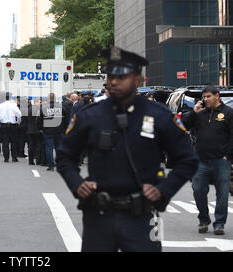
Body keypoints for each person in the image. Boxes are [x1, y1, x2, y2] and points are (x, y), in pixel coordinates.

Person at [56, 46, 198, 252]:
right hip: (99, 216)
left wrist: (162, 191)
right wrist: (77, 184)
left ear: (137, 80)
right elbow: (65, 157)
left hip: (143, 217)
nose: (113, 81)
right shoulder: (89, 115)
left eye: (121, 76)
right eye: (110, 75)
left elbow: (188, 160)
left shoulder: (159, 115)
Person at [181, 85, 233, 235]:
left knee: (222, 194)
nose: (205, 99)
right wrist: (193, 112)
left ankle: (219, 223)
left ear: (217, 96)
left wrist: (228, 155)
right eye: (204, 97)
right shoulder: (200, 114)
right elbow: (183, 126)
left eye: (208, 96)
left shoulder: (228, 113)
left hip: (221, 160)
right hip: (201, 160)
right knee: (198, 190)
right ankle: (204, 219)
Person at [38, 93, 70, 172]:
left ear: (48, 99)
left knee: (49, 148)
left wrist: (41, 129)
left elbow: (39, 120)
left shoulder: (43, 108)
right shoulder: (62, 107)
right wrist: (65, 129)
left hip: (48, 131)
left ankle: (51, 166)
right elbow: (67, 119)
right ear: (55, 99)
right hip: (59, 131)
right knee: (59, 148)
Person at [0, 92, 22, 163]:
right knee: (13, 142)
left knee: (5, 142)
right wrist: (18, 122)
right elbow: (19, 114)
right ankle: (14, 158)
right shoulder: (14, 105)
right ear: (10, 97)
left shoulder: (0, 105)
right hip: (13, 125)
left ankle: (6, 158)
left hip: (4, 125)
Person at [27, 98, 42, 165]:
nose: (41, 103)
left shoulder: (29, 109)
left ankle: (30, 161)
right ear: (37, 102)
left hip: (30, 130)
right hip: (37, 130)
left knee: (31, 145)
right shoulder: (39, 109)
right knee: (38, 145)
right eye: (40, 102)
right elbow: (40, 120)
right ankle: (38, 160)